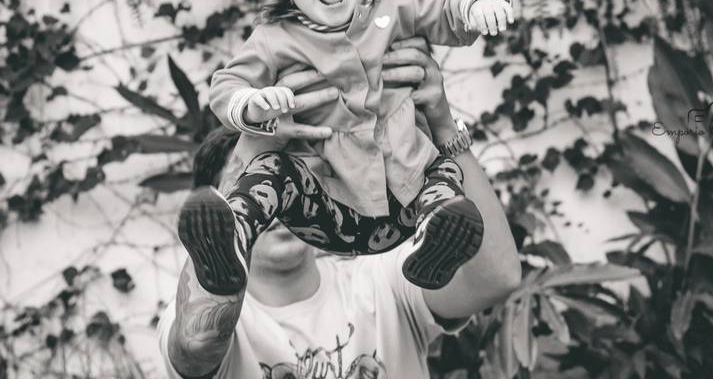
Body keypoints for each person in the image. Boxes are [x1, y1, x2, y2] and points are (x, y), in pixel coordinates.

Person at [187, 0, 515, 295]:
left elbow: (443, 8)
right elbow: (227, 85)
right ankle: (232, 237)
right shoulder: (275, 39)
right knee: (271, 170)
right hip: (325, 207)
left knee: (443, 173)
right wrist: (255, 106)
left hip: (407, 199)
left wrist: (478, 5)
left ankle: (435, 239)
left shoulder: (398, 5)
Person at [158, 40, 521, 378]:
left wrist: (441, 125)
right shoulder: (198, 316)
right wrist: (254, 146)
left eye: (294, 178)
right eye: (263, 184)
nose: (279, 201)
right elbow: (197, 341)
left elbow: (498, 278)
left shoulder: (382, 282)